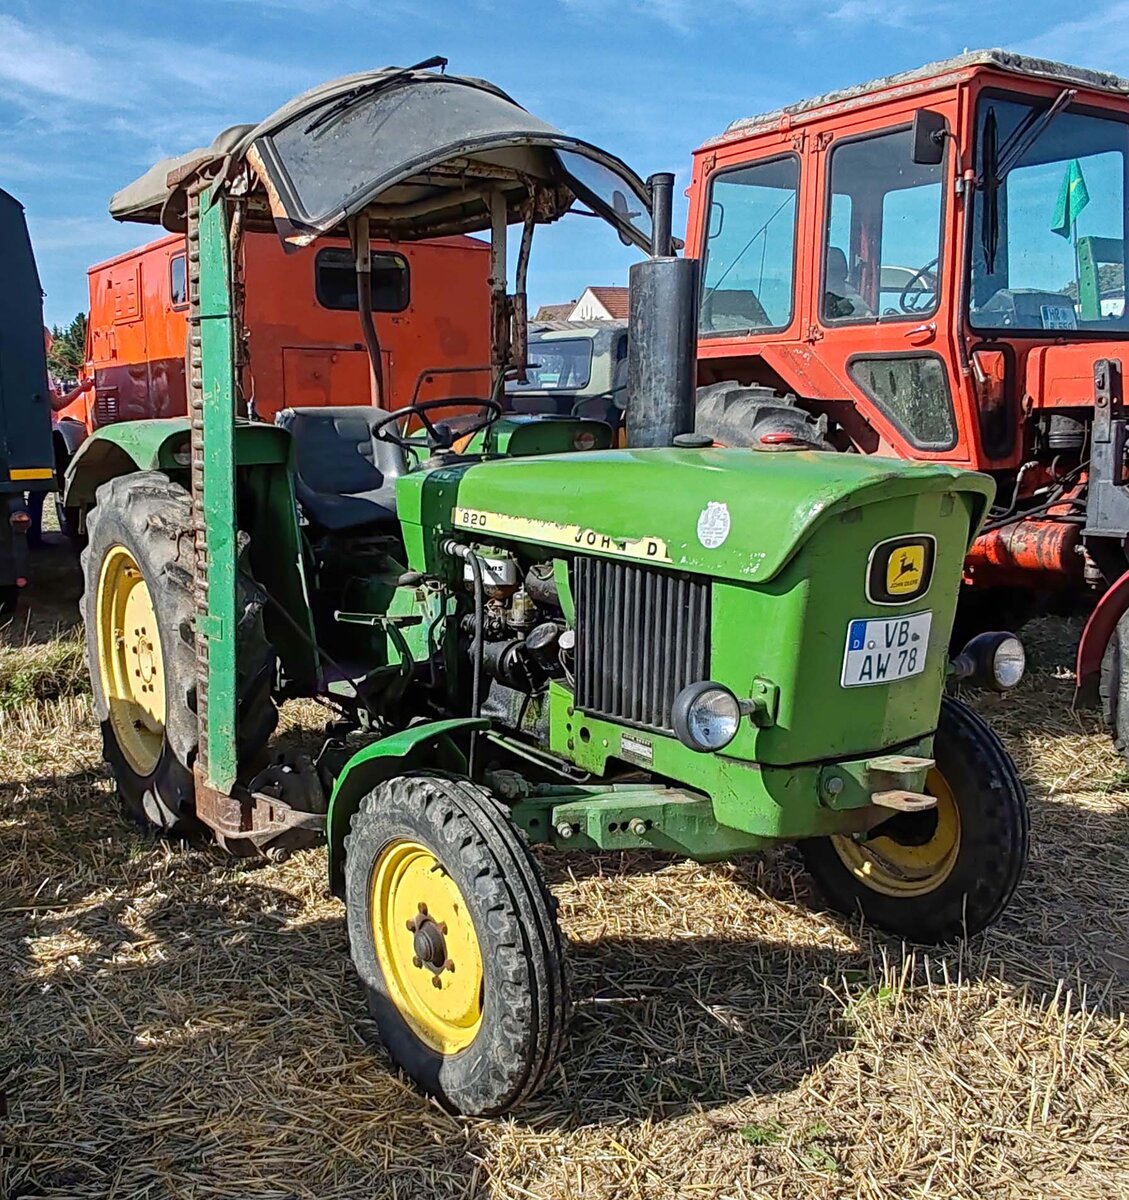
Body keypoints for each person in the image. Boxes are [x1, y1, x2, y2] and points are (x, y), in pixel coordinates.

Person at [27, 329, 93, 547]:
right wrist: (81, 390)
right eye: (49, 341)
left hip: (35, 432)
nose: (51, 345)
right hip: (49, 432)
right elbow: (56, 404)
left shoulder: (26, 367)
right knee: (63, 481)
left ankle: (34, 534)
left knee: (39, 489)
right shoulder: (41, 370)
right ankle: (69, 529)